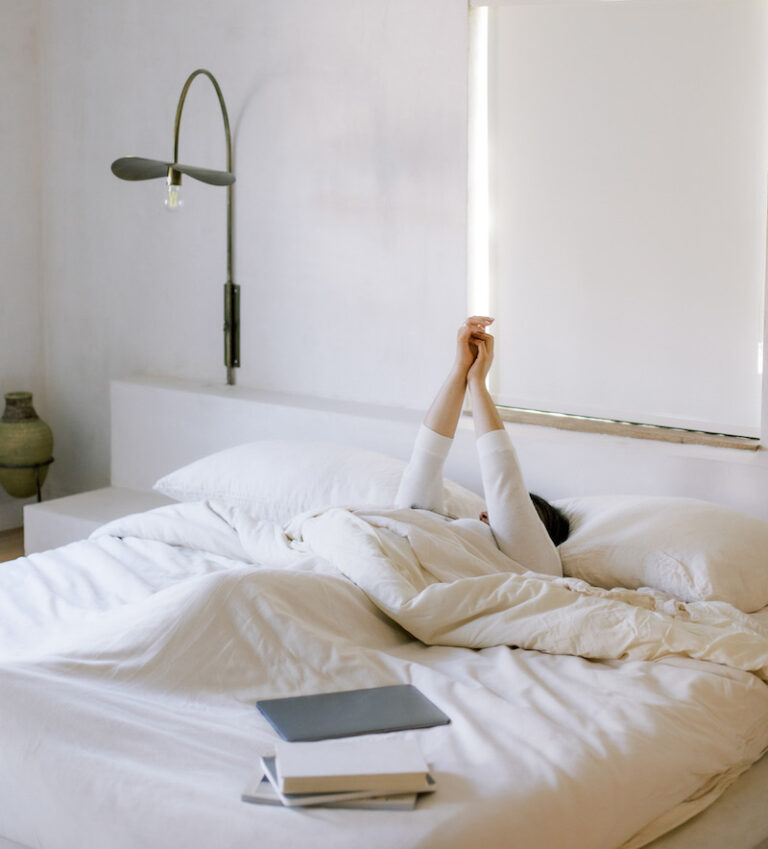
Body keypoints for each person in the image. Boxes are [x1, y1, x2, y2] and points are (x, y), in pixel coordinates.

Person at [395, 316, 568, 577]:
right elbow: (425, 461)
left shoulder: (542, 568)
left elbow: (504, 480)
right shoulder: (440, 531)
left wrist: (478, 384)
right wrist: (460, 368)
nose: (487, 512)